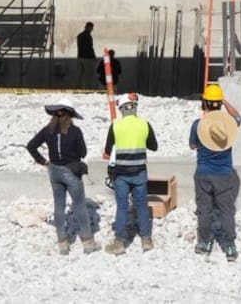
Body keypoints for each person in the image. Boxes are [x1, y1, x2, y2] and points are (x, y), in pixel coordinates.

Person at [26, 98, 98, 255]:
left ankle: (62, 243)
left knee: (59, 206)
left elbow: (31, 146)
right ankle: (88, 242)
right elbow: (83, 153)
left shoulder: (47, 130)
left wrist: (43, 161)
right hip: (71, 171)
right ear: (70, 114)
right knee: (79, 206)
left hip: (54, 171)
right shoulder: (75, 131)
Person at [189, 83, 241, 261]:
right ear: (219, 103)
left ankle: (204, 243)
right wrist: (224, 102)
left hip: (203, 173)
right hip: (224, 174)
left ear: (204, 103)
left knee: (204, 210)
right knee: (227, 210)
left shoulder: (197, 125)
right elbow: (238, 116)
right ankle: (230, 246)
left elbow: (192, 145)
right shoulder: (229, 125)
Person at [101, 92, 158, 254]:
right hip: (139, 173)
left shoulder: (116, 125)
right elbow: (154, 146)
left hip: (121, 175)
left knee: (122, 207)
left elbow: (107, 151)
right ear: (134, 108)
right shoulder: (145, 124)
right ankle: (146, 240)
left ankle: (119, 243)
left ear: (121, 108)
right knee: (141, 206)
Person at [75, 22, 97, 89]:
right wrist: (94, 57)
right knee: (89, 75)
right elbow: (89, 47)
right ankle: (88, 88)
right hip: (88, 58)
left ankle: (78, 87)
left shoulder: (79, 35)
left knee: (80, 74)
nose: (92, 29)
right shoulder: (88, 36)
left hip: (80, 57)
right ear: (89, 27)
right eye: (92, 28)